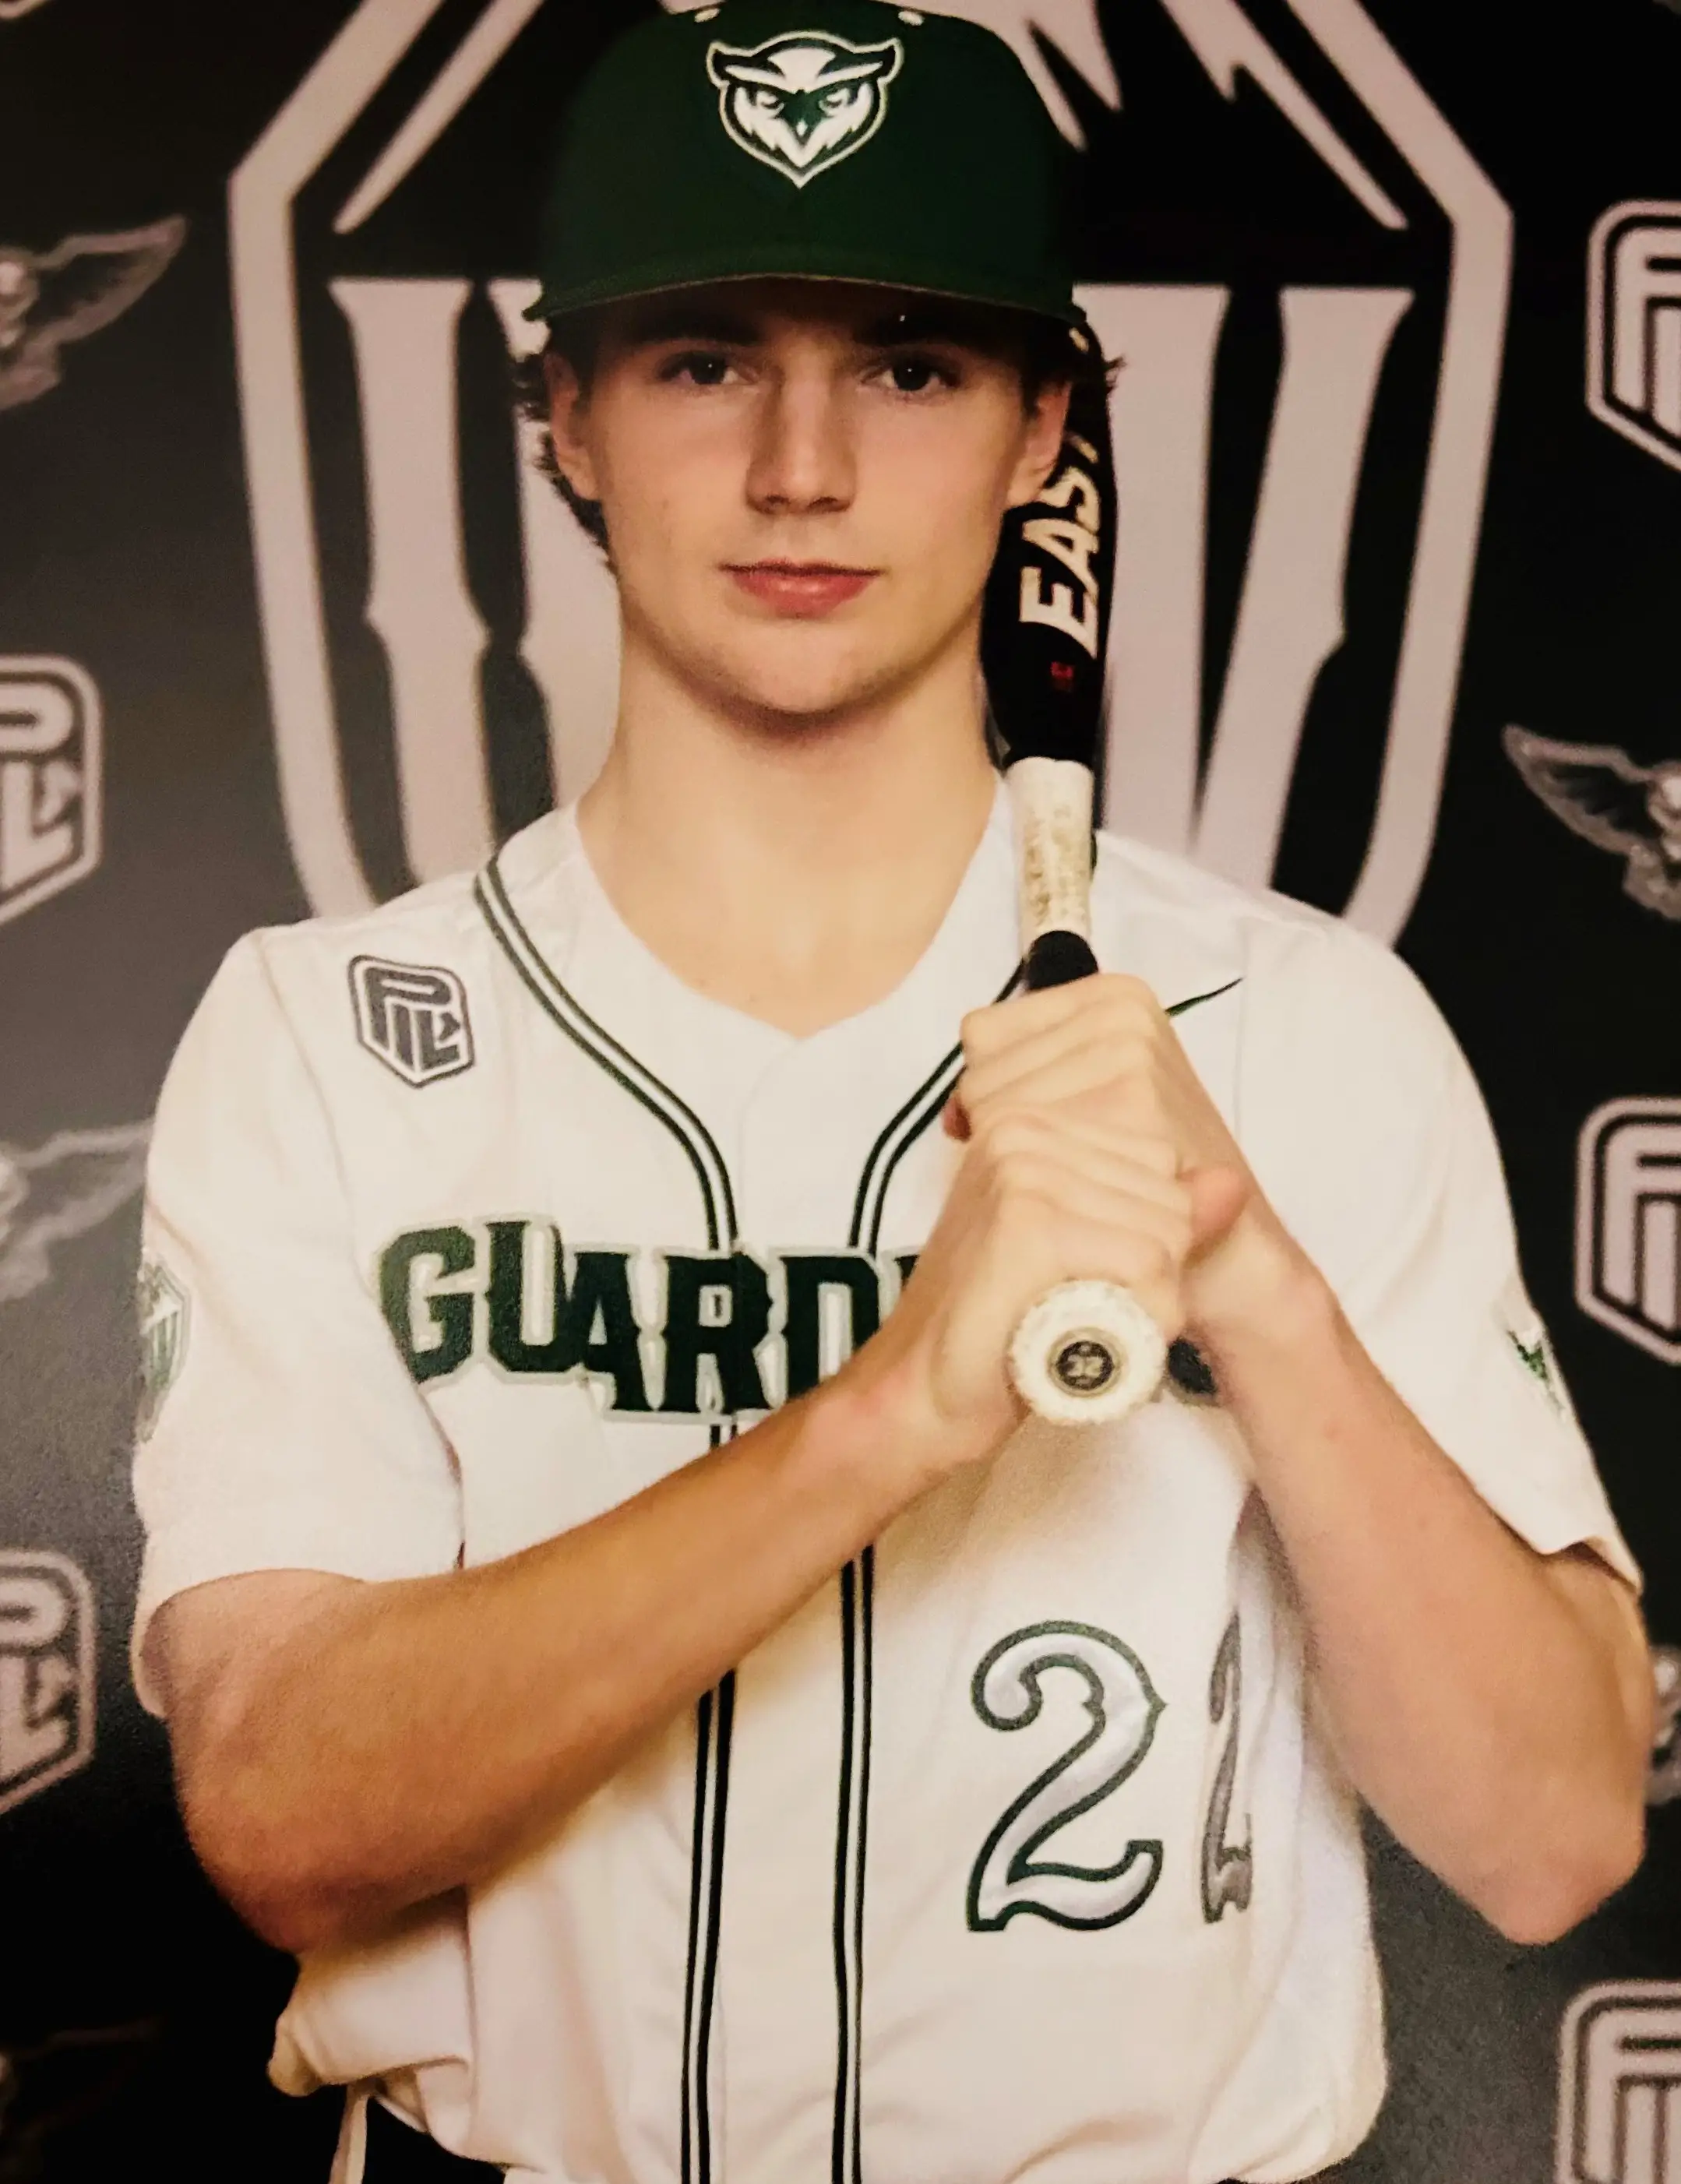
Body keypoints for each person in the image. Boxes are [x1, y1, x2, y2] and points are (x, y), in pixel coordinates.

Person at [130, 4, 1651, 2180]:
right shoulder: (330, 1034)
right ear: (565, 417)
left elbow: (1550, 1836)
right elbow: (285, 1816)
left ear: (1043, 427)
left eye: (911, 367)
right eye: (705, 360)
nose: (801, 469)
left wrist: (1258, 1291)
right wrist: (893, 1409)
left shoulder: (1296, 1023)